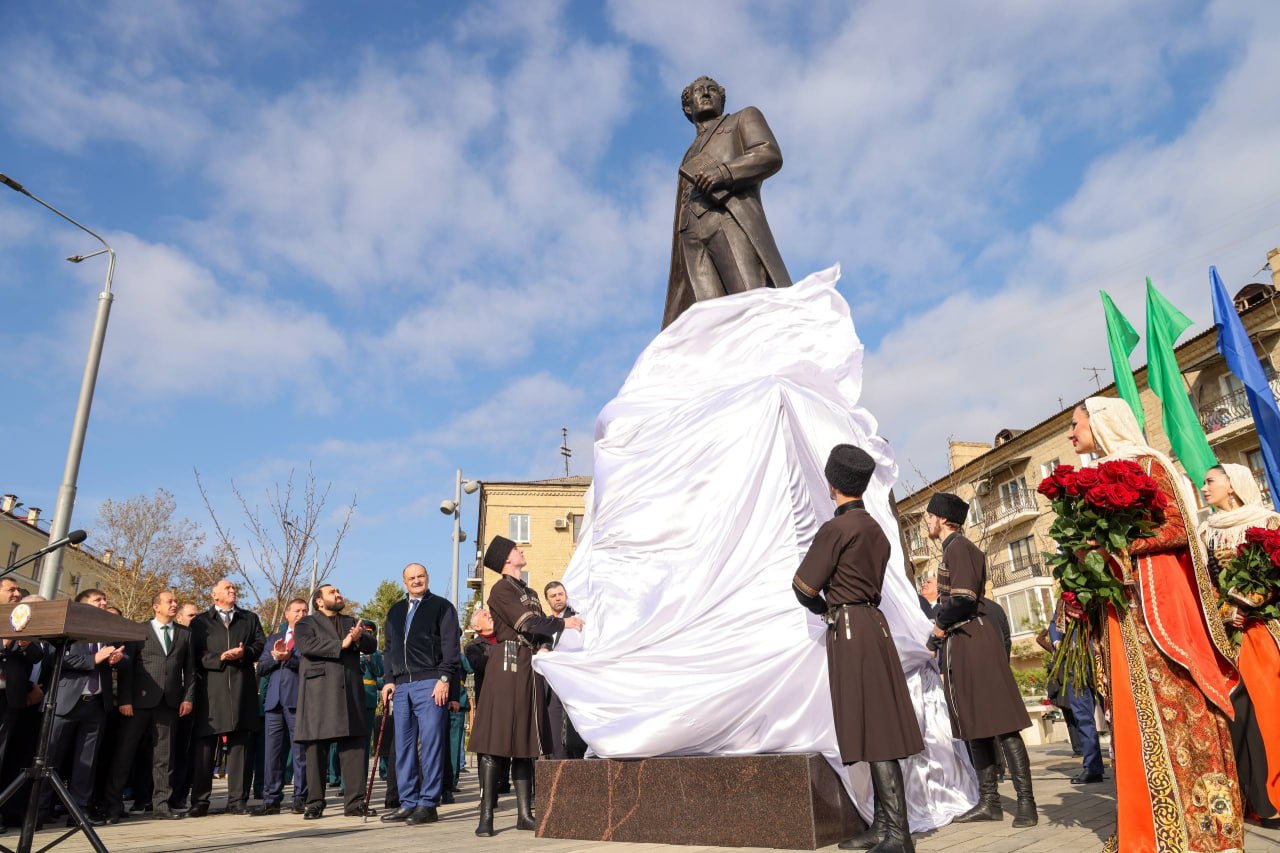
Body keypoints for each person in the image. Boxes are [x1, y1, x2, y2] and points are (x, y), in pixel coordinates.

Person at [1069, 398, 1242, 852]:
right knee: (1132, 716)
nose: (1071, 434)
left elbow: (1177, 528)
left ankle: (1197, 827)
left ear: (1101, 423)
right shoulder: (1092, 477)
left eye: (1075, 424)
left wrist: (1116, 546)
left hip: (1154, 606)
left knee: (1177, 705)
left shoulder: (1148, 464)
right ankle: (1148, 828)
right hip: (1119, 612)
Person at [792, 445, 924, 853]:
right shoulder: (876, 531)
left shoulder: (837, 529)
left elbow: (803, 587)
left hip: (849, 628)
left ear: (832, 484)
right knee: (876, 723)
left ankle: (898, 834)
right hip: (874, 626)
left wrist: (825, 609)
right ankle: (884, 825)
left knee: (874, 727)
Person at [924, 492, 1036, 827]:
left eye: (930, 516)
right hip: (963, 643)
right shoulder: (951, 549)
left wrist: (936, 631)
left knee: (1003, 724)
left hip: (975, 642)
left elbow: (962, 598)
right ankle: (989, 801)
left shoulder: (960, 548)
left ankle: (1026, 803)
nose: (927, 521)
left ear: (943, 518)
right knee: (974, 725)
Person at [469, 536, 583, 837]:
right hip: (506, 665)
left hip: (528, 666)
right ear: (506, 558)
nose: (521, 550)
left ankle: (524, 814)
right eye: (516, 548)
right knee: (495, 741)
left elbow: (540, 628)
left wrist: (546, 642)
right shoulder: (501, 589)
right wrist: (563, 624)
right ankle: (486, 816)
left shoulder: (530, 592)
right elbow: (527, 624)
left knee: (524, 741)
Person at [661, 75, 791, 329]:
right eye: (699, 91)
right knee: (711, 324)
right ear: (688, 107)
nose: (706, 93)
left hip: (728, 220)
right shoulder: (688, 152)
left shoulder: (743, 118)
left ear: (721, 99)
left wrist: (725, 173)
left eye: (712, 90)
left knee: (750, 304)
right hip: (690, 235)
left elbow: (769, 153)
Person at [1199, 462, 1280, 827]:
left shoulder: (1268, 522)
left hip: (1262, 630)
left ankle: (1274, 797)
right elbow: (1204, 585)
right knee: (1237, 716)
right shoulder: (1206, 532)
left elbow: (1275, 575)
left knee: (1268, 711)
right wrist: (1223, 611)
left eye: (1210, 481)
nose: (1204, 488)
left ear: (1232, 485)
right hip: (1225, 635)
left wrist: (1249, 602)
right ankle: (1254, 799)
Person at [103, 590, 194, 822]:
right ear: (156, 606)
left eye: (176, 601)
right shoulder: (138, 630)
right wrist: (125, 700)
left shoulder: (185, 634)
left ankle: (161, 805)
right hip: (138, 702)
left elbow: (190, 670)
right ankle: (112, 806)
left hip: (169, 703)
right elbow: (127, 668)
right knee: (125, 753)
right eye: (169, 601)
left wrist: (188, 698)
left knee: (164, 756)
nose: (174, 604)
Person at [379, 564, 459, 826]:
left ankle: (428, 803)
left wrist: (444, 678)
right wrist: (389, 680)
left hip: (431, 683)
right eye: (411, 578)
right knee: (403, 747)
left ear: (427, 578)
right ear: (404, 582)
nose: (416, 581)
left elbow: (451, 646)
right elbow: (389, 649)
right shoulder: (395, 611)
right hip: (401, 686)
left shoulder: (442, 606)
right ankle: (408, 802)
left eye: (420, 576)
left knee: (432, 745)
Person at [40, 588, 126, 827]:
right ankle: (40, 809)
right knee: (50, 758)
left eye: (105, 599)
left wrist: (117, 659)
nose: (104, 603)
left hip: (96, 705)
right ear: (82, 603)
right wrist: (93, 660)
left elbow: (119, 655)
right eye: (98, 600)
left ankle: (79, 812)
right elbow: (54, 657)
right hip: (65, 703)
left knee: (86, 763)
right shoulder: (67, 626)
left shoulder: (106, 630)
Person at [294, 584, 377, 819]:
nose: (338, 594)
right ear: (319, 601)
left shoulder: (352, 621)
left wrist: (359, 638)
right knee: (315, 751)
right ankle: (314, 803)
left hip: (349, 692)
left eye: (339, 591)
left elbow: (372, 645)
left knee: (354, 749)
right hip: (319, 693)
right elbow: (306, 646)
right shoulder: (306, 623)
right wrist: (341, 644)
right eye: (332, 592)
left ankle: (355, 803)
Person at [188, 578, 265, 817]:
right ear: (214, 595)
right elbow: (193, 655)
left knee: (239, 746)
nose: (232, 590)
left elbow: (260, 645)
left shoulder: (249, 618)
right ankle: (200, 801)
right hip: (211, 691)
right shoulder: (200, 621)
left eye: (234, 588)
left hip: (242, 689)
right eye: (227, 588)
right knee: (204, 749)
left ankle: (237, 801)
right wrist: (219, 658)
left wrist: (244, 653)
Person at [252, 598, 308, 816]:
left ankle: (300, 798)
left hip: (297, 701)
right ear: (287, 614)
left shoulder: (309, 639)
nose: (301, 615)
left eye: (305, 611)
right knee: (272, 753)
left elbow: (308, 666)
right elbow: (261, 667)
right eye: (297, 611)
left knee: (300, 753)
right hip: (274, 703)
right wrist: (276, 657)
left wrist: (289, 658)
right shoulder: (274, 639)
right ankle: (271, 799)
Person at [1037, 605, 1105, 785]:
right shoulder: (1066, 598)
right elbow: (1055, 623)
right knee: (1082, 718)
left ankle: (1125, 762)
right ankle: (1092, 767)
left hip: (1102, 658)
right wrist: (1057, 642)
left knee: (1115, 713)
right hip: (1075, 663)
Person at [542, 581, 585, 760]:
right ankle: (558, 770)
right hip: (551, 687)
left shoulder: (576, 618)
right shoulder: (545, 623)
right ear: (547, 600)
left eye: (560, 594)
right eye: (553, 596)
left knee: (576, 734)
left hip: (574, 683)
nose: (558, 598)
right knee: (554, 735)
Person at [168, 601, 202, 811]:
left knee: (184, 751)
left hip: (188, 701)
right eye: (191, 616)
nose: (195, 620)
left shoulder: (199, 639)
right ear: (179, 618)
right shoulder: (169, 635)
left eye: (198, 616)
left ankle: (179, 795)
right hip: (164, 700)